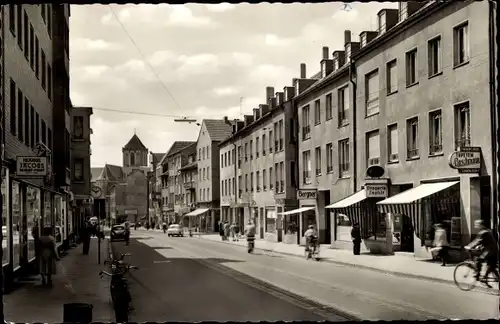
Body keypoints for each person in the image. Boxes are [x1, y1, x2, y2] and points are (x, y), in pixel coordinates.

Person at [466, 220, 499, 287]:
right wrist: (479, 247)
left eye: (477, 224)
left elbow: (477, 241)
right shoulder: (488, 231)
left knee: (478, 261)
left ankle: (478, 275)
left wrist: (469, 246)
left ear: (481, 225)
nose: (476, 226)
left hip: (489, 251)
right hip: (494, 251)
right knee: (491, 266)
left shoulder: (483, 232)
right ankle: (485, 279)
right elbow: (485, 242)